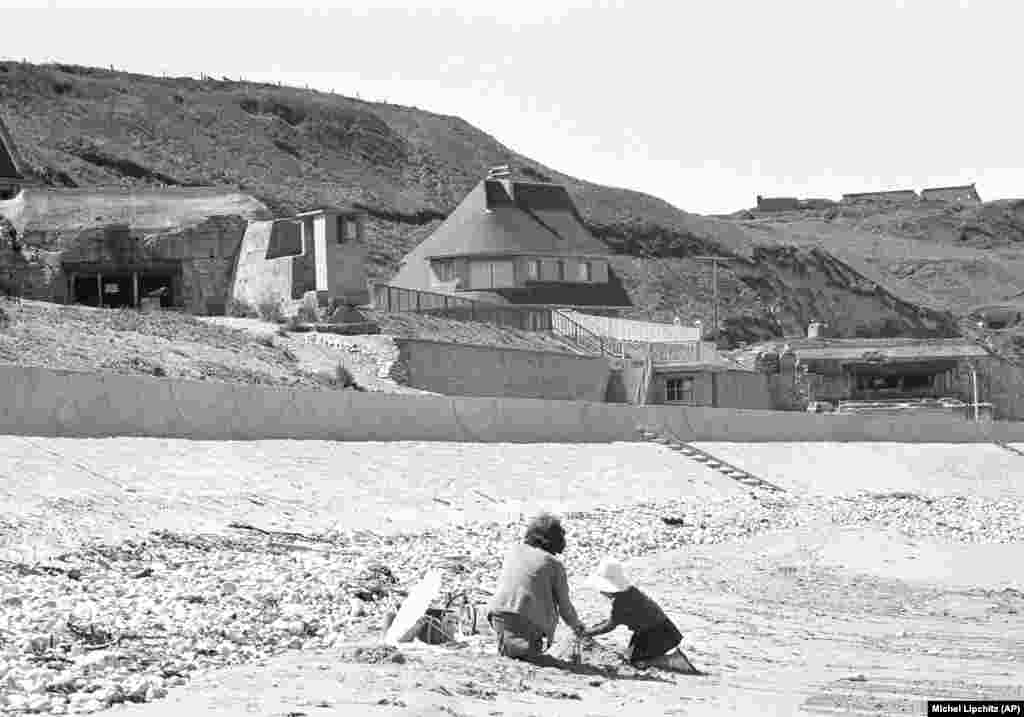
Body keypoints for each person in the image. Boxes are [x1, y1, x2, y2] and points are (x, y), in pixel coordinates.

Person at [486, 512, 585, 663]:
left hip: (498, 616)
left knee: (511, 651)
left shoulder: (514, 551)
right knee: (529, 655)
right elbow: (565, 607)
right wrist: (577, 626)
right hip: (527, 621)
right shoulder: (553, 564)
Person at [581, 558, 702, 674]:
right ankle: (664, 657)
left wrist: (588, 633)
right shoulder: (630, 591)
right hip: (658, 629)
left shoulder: (621, 603)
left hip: (657, 633)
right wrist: (592, 628)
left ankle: (673, 660)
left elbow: (609, 626)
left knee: (637, 663)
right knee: (630, 656)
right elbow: (613, 619)